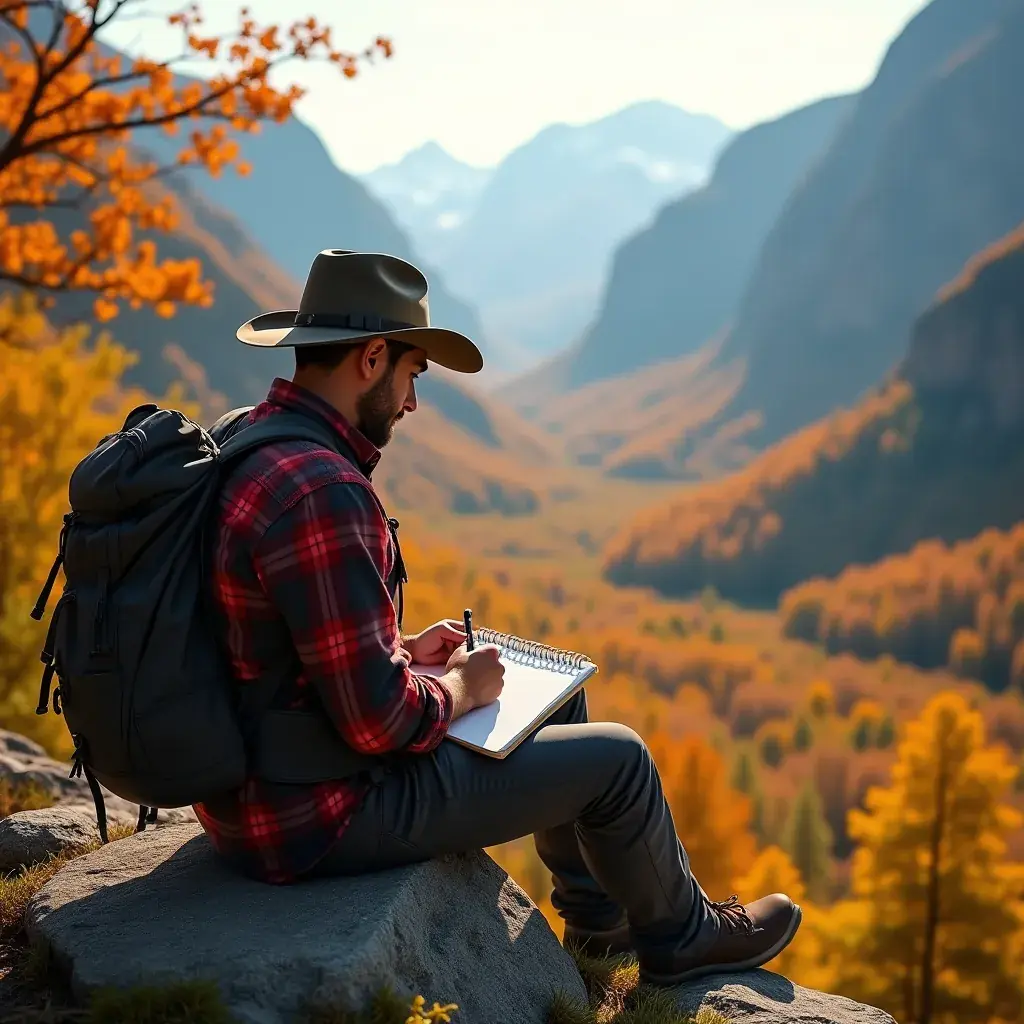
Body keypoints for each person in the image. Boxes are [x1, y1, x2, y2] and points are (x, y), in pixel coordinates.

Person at [194, 249, 801, 985]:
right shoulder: (322, 489)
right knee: (621, 760)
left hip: (261, 789)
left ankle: (600, 933)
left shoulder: (253, 442)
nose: (413, 402)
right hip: (318, 814)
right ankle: (681, 939)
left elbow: (279, 643)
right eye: (413, 374)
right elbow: (379, 725)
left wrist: (400, 646)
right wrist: (459, 687)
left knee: (559, 693)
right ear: (374, 358)